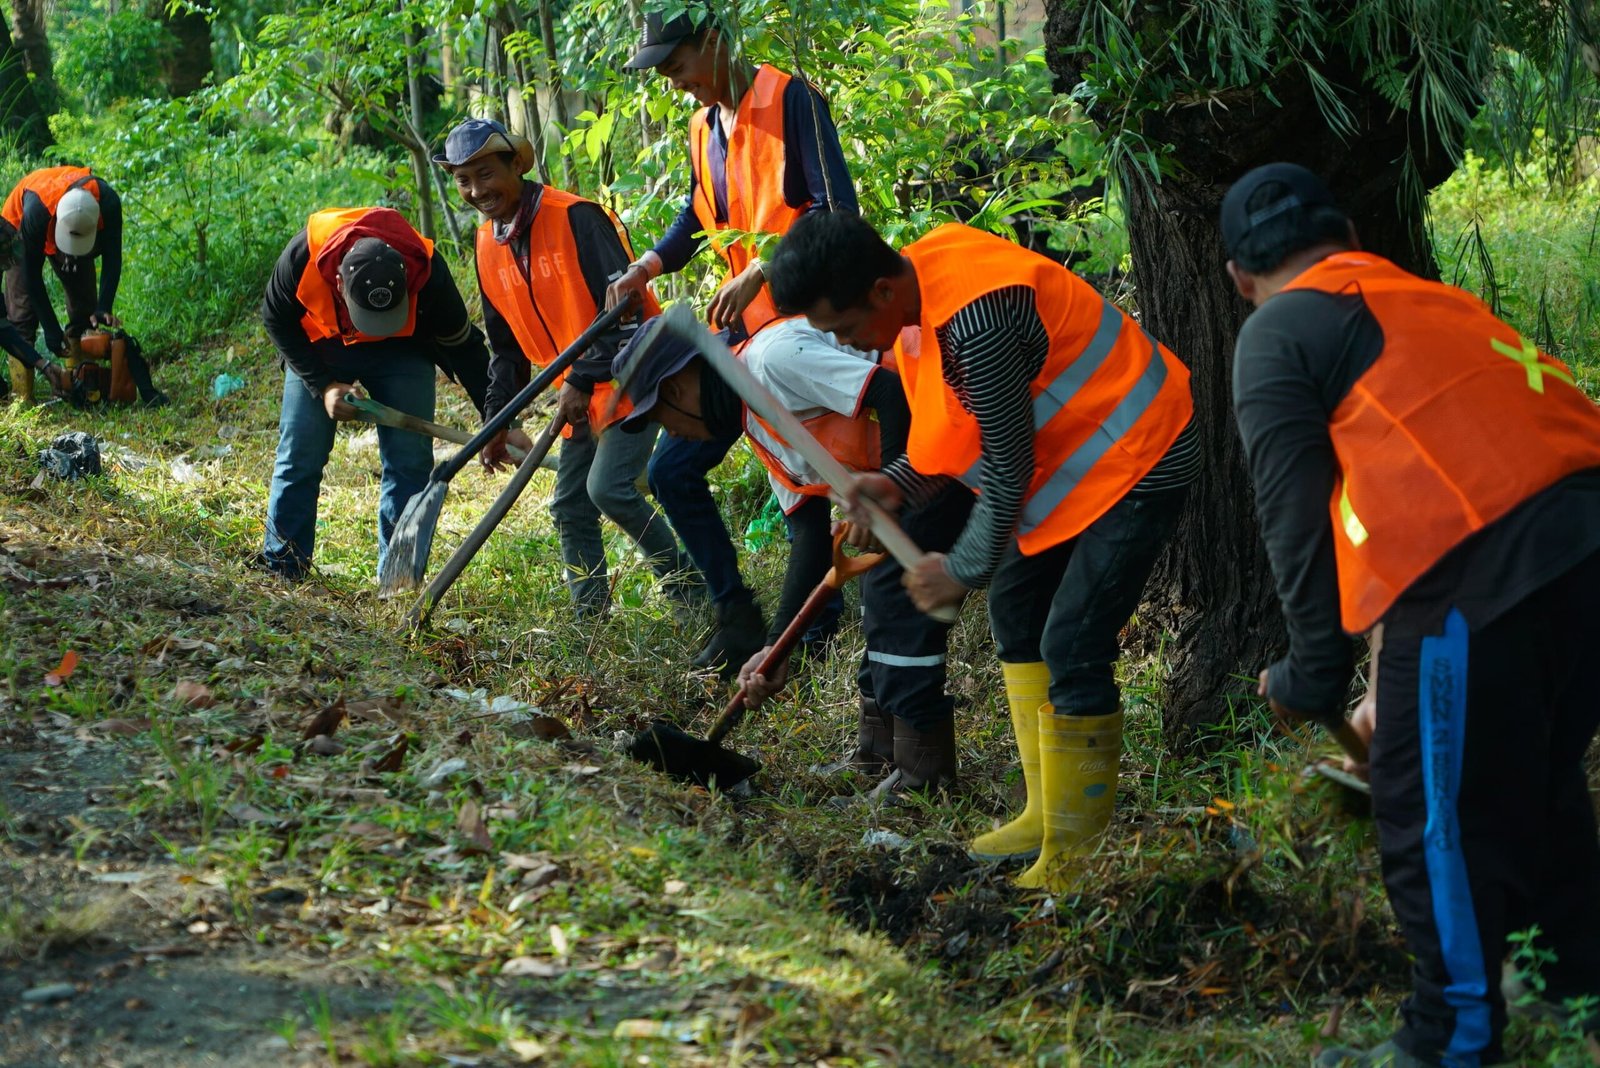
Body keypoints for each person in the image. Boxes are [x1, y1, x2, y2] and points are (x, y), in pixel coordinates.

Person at [1222, 162, 1600, 1068]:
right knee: (1537, 778)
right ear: (1348, 232)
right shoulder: (1427, 302)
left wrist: (1314, 671)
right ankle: (1573, 992)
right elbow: (1420, 484)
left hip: (1483, 571)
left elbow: (1295, 520)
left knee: (1432, 810)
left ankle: (1448, 1040)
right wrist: (1393, 677)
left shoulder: (1278, 331)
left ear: (1239, 277)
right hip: (1581, 545)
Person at [767, 211, 1199, 889]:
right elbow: (956, 435)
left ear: (880, 291)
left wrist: (961, 568)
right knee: (1018, 612)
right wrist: (894, 483)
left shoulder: (979, 321)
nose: (849, 345)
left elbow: (1005, 465)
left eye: (846, 330)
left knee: (1072, 644)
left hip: (1138, 454)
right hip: (1080, 470)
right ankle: (1043, 815)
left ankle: (1079, 857)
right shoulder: (915, 308)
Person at [611, 314, 974, 794]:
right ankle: (877, 755)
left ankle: (923, 777)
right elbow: (809, 536)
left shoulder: (771, 360)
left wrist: (892, 492)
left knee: (893, 604)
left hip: (944, 439)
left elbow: (888, 391)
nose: (674, 438)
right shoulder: (757, 421)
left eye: (664, 422)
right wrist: (776, 646)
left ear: (678, 390)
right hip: (906, 477)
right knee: (878, 607)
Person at [605, 7, 858, 671]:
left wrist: (767, 265)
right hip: (747, 343)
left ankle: (811, 632)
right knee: (671, 469)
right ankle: (736, 613)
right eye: (663, 71)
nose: (674, 81)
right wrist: (648, 266)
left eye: (678, 64)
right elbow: (698, 214)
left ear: (714, 41)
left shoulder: (791, 97)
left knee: (811, 492)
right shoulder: (702, 125)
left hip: (812, 330)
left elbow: (838, 210)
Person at [434, 118, 698, 618]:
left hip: (639, 370)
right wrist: (498, 421)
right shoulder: (488, 243)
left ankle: (691, 589)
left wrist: (579, 378)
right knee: (570, 505)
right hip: (586, 393)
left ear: (515, 163)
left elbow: (628, 311)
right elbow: (507, 350)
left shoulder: (577, 217)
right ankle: (590, 619)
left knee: (608, 489)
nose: (476, 191)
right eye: (463, 180)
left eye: (485, 174)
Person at [256, 206, 492, 581]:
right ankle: (282, 568)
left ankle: (398, 580)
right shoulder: (303, 256)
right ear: (337, 281)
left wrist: (497, 422)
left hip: (403, 348)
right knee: (300, 453)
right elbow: (275, 318)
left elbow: (466, 349)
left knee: (410, 462)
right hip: (323, 346)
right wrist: (323, 385)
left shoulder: (428, 271)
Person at [2, 167, 123, 397]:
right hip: (19, 226)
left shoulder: (108, 203)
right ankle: (22, 396)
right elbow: (31, 277)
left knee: (84, 306)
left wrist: (103, 307)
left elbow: (113, 256)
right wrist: (50, 329)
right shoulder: (36, 213)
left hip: (70, 221)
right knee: (21, 313)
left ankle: (77, 382)